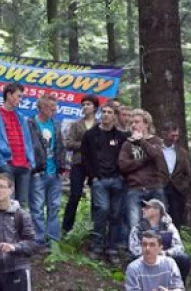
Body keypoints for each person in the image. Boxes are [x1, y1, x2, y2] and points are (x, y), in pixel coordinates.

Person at [82, 102, 128, 262]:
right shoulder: (90, 134)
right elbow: (85, 157)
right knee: (102, 210)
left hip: (117, 180)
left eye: (110, 112)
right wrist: (93, 176)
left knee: (116, 214)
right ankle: (96, 245)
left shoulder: (121, 137)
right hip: (99, 180)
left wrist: (122, 175)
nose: (107, 115)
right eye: (104, 111)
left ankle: (112, 247)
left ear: (115, 116)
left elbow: (126, 157)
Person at [0, 82, 35, 208]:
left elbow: (28, 142)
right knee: (7, 202)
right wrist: (2, 163)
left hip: (24, 166)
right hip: (7, 164)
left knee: (23, 204)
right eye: (18, 96)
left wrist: (30, 162)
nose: (20, 100)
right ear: (8, 95)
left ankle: (21, 228)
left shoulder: (21, 117)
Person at [118, 109, 168, 232]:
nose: (133, 125)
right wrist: (144, 161)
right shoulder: (127, 144)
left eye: (137, 122)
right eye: (131, 123)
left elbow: (157, 156)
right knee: (135, 225)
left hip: (154, 187)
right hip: (135, 188)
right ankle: (137, 250)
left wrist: (141, 141)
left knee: (158, 224)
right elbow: (123, 165)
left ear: (146, 124)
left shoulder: (156, 141)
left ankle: (158, 250)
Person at [27, 93, 67, 246]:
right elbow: (28, 147)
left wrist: (62, 167)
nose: (54, 110)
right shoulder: (30, 124)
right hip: (38, 172)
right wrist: (33, 167)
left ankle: (53, 240)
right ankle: (38, 239)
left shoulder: (55, 124)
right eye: (51, 108)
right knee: (36, 207)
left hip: (55, 172)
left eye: (55, 107)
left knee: (54, 207)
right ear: (42, 108)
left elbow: (60, 146)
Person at [129, 199, 191, 284]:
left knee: (184, 259)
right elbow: (133, 248)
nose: (143, 210)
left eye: (147, 208)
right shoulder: (138, 227)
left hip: (166, 257)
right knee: (133, 259)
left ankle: (179, 286)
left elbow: (179, 247)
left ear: (157, 211)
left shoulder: (169, 227)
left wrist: (165, 253)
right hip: (145, 257)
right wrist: (150, 253)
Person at [62, 94, 99, 234]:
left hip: (96, 165)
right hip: (78, 163)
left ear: (95, 107)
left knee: (96, 198)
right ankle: (66, 229)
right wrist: (85, 144)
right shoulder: (76, 124)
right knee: (75, 195)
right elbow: (69, 143)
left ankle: (94, 230)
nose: (85, 107)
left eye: (88, 104)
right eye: (83, 105)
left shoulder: (100, 124)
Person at [160, 123, 191, 230]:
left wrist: (183, 186)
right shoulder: (156, 150)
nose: (174, 138)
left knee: (176, 219)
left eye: (177, 136)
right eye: (172, 136)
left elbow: (188, 173)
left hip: (177, 190)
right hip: (160, 187)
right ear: (164, 134)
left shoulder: (182, 152)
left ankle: (175, 241)